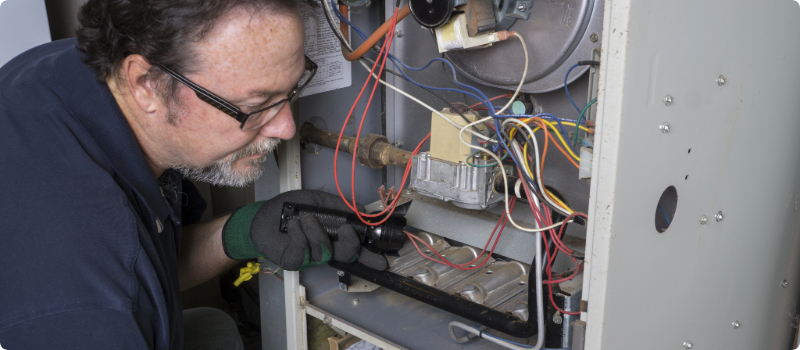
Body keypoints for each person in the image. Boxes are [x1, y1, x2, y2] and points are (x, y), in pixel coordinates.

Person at [0, 0, 386, 349]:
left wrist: (245, 229)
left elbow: (154, 262)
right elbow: (122, 278)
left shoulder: (73, 66)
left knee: (214, 328)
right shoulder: (93, 307)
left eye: (292, 89)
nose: (286, 127)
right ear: (146, 84)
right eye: (256, 104)